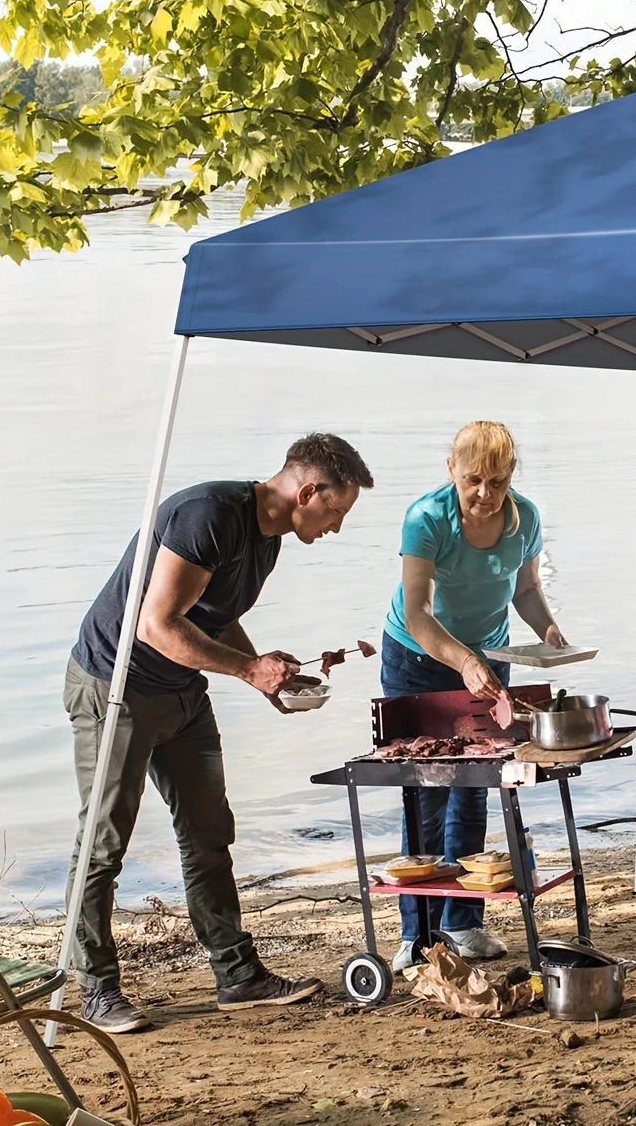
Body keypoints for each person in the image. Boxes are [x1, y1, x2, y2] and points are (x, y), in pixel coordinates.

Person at [65, 433, 374, 1034]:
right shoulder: (208, 515)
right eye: (335, 511)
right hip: (116, 686)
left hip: (181, 693)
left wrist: (266, 679)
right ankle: (97, 991)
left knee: (208, 832)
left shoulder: (270, 539)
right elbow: (157, 624)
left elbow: (218, 614)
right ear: (307, 490)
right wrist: (248, 670)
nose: (336, 527)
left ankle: (237, 975)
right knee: (104, 842)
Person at [381, 420, 569, 968]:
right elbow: (417, 614)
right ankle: (416, 938)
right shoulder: (426, 519)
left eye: (497, 482)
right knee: (426, 790)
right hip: (419, 658)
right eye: (473, 481)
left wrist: (549, 633)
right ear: (451, 472)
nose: (485, 495)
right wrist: (462, 659)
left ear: (511, 477)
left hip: (487, 658)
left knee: (478, 784)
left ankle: (462, 924)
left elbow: (527, 588)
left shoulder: (525, 518)